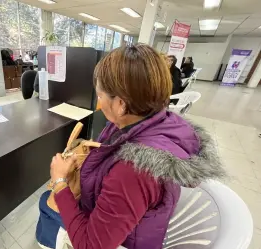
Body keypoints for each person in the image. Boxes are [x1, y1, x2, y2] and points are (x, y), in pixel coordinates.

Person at [36, 45, 225, 249]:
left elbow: (90, 245)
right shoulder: (163, 122)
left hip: (121, 242)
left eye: (100, 96)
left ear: (121, 104)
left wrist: (60, 181)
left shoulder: (133, 171)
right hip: (133, 226)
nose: (98, 104)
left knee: (47, 201)